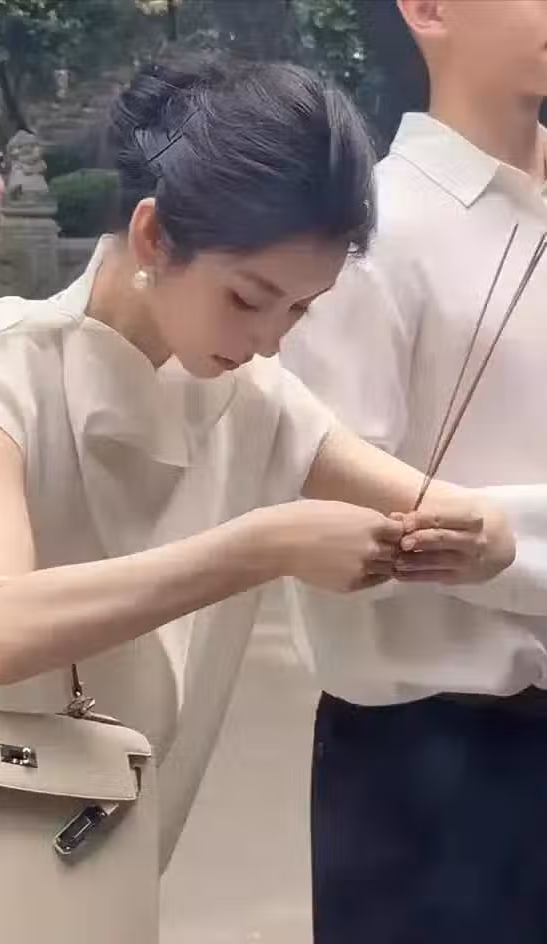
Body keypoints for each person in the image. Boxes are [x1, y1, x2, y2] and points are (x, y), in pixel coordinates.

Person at [0, 57, 514, 876]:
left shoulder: (250, 397)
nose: (270, 338)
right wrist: (264, 545)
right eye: (249, 298)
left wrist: (479, 537)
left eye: (299, 309)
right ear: (152, 236)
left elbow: (449, 510)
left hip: (67, 854)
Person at [281, 2, 547, 941]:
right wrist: (504, 544)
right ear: (428, 9)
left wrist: (506, 541)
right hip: (435, 770)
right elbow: (341, 527)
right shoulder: (368, 239)